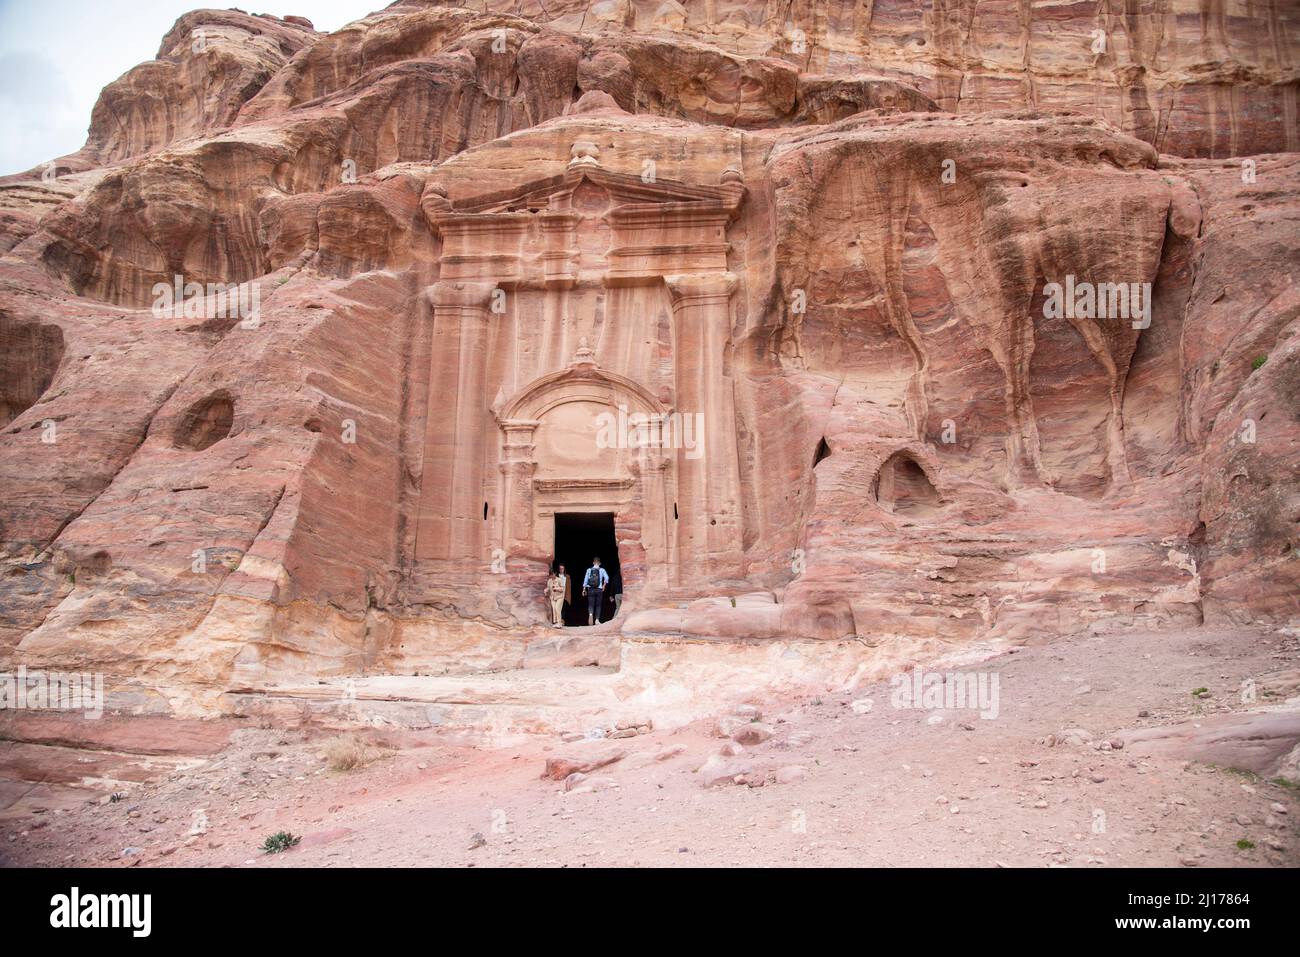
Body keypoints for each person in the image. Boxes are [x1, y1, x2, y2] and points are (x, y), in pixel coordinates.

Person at [581, 556, 609, 626]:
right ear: (599, 563)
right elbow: (607, 578)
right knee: (598, 605)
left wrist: (584, 589)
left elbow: (585, 580)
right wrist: (604, 586)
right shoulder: (602, 570)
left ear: (593, 563)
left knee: (591, 604)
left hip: (590, 589)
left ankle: (590, 614)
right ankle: (597, 620)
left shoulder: (589, 570)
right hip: (599, 589)